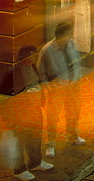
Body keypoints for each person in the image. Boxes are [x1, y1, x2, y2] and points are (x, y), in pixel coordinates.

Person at [0, 45, 52, 181]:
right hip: (20, 114)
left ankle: (36, 162)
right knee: (20, 142)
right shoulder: (12, 73)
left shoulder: (33, 67)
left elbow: (38, 83)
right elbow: (5, 96)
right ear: (24, 57)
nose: (34, 57)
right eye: (32, 55)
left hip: (34, 111)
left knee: (35, 138)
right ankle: (19, 170)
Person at [37, 22, 86, 155]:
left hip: (73, 85)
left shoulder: (72, 44)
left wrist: (77, 77)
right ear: (61, 35)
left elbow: (76, 61)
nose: (70, 37)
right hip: (57, 88)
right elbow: (41, 71)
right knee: (53, 115)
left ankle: (72, 136)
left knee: (73, 111)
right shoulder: (47, 50)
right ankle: (50, 143)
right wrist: (48, 86)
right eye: (68, 34)